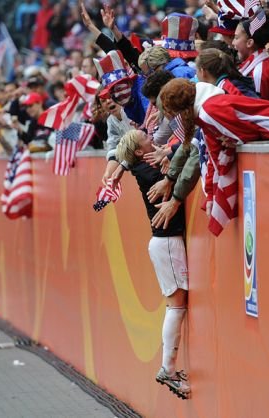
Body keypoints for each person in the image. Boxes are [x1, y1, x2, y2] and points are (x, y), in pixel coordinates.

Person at [156, 78, 269, 234]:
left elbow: (249, 132)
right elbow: (214, 156)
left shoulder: (210, 110)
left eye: (173, 114)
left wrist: (232, 142)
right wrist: (211, 196)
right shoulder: (205, 112)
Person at [115, 130, 191, 400]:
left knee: (177, 306)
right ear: (138, 151)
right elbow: (181, 175)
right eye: (144, 137)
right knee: (176, 306)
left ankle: (168, 368)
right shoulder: (148, 173)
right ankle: (167, 370)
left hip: (166, 244)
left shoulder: (142, 167)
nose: (150, 135)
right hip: (166, 243)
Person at [232, 9, 269, 106]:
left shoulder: (259, 72)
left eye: (236, 38)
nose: (233, 43)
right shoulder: (259, 66)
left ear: (249, 43)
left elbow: (261, 111)